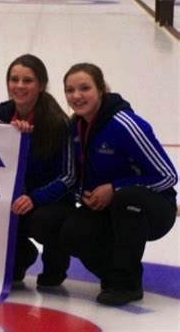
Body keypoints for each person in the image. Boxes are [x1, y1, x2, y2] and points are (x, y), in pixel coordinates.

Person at [60, 63, 177, 306]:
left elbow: (168, 176)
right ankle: (115, 277)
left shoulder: (126, 125)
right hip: (109, 207)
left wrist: (115, 188)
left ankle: (127, 284)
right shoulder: (75, 127)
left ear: (101, 89)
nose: (77, 96)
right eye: (70, 90)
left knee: (126, 200)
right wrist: (84, 194)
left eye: (85, 88)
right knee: (71, 231)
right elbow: (74, 176)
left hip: (152, 209)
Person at [0, 54, 75, 287]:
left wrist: (35, 198)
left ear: (41, 85)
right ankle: (21, 255)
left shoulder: (59, 122)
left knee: (43, 220)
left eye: (27, 81)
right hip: (15, 199)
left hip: (50, 203)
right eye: (14, 79)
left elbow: (69, 176)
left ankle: (55, 265)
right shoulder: (0, 117)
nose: (19, 86)